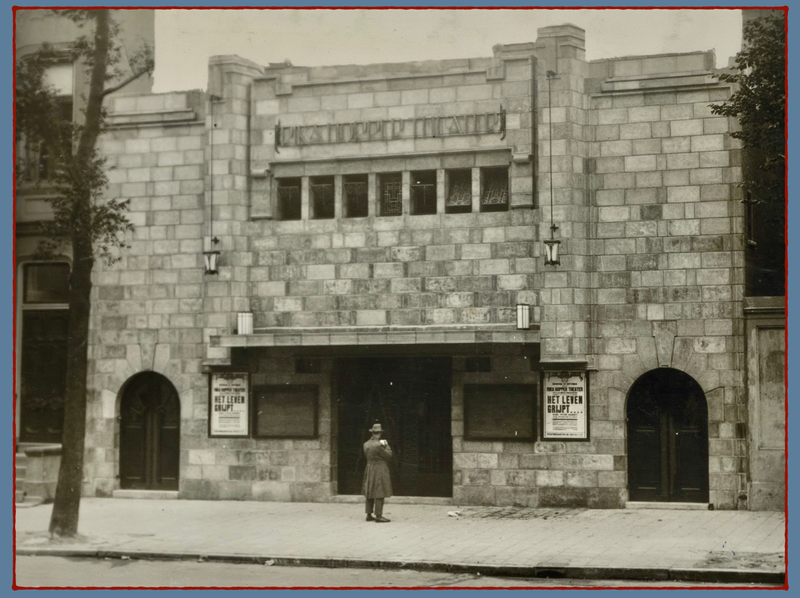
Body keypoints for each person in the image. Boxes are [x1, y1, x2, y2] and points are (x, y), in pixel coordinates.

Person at [362, 422, 393, 523]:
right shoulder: (380, 444)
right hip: (379, 468)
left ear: (372, 433)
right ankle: (379, 515)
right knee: (380, 491)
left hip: (369, 468)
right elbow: (389, 455)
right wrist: (386, 445)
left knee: (369, 490)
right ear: (379, 433)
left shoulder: (366, 444)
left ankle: (369, 514)